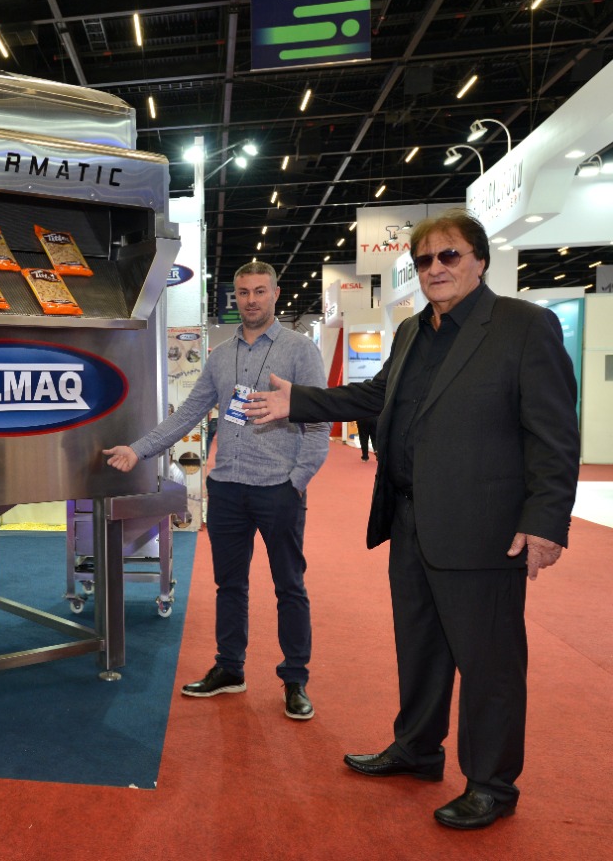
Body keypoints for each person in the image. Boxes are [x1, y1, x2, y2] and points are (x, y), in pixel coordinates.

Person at [243, 208, 579, 830]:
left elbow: (554, 433)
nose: (434, 268)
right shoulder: (411, 331)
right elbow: (378, 396)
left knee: (489, 663)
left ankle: (492, 785)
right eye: (424, 260)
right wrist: (301, 402)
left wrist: (546, 520)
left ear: (479, 260)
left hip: (484, 529)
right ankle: (418, 749)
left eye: (448, 255)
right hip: (410, 521)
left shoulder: (523, 326)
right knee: (420, 647)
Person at [103, 261, 329, 719]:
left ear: (275, 294)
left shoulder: (300, 350)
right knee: (230, 585)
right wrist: (138, 450)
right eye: (243, 292)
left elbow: (320, 422)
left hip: (278, 489)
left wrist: (297, 481)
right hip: (226, 488)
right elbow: (189, 413)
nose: (251, 300)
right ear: (234, 298)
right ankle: (230, 667)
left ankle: (295, 679)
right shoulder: (221, 355)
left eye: (260, 291)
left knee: (289, 586)